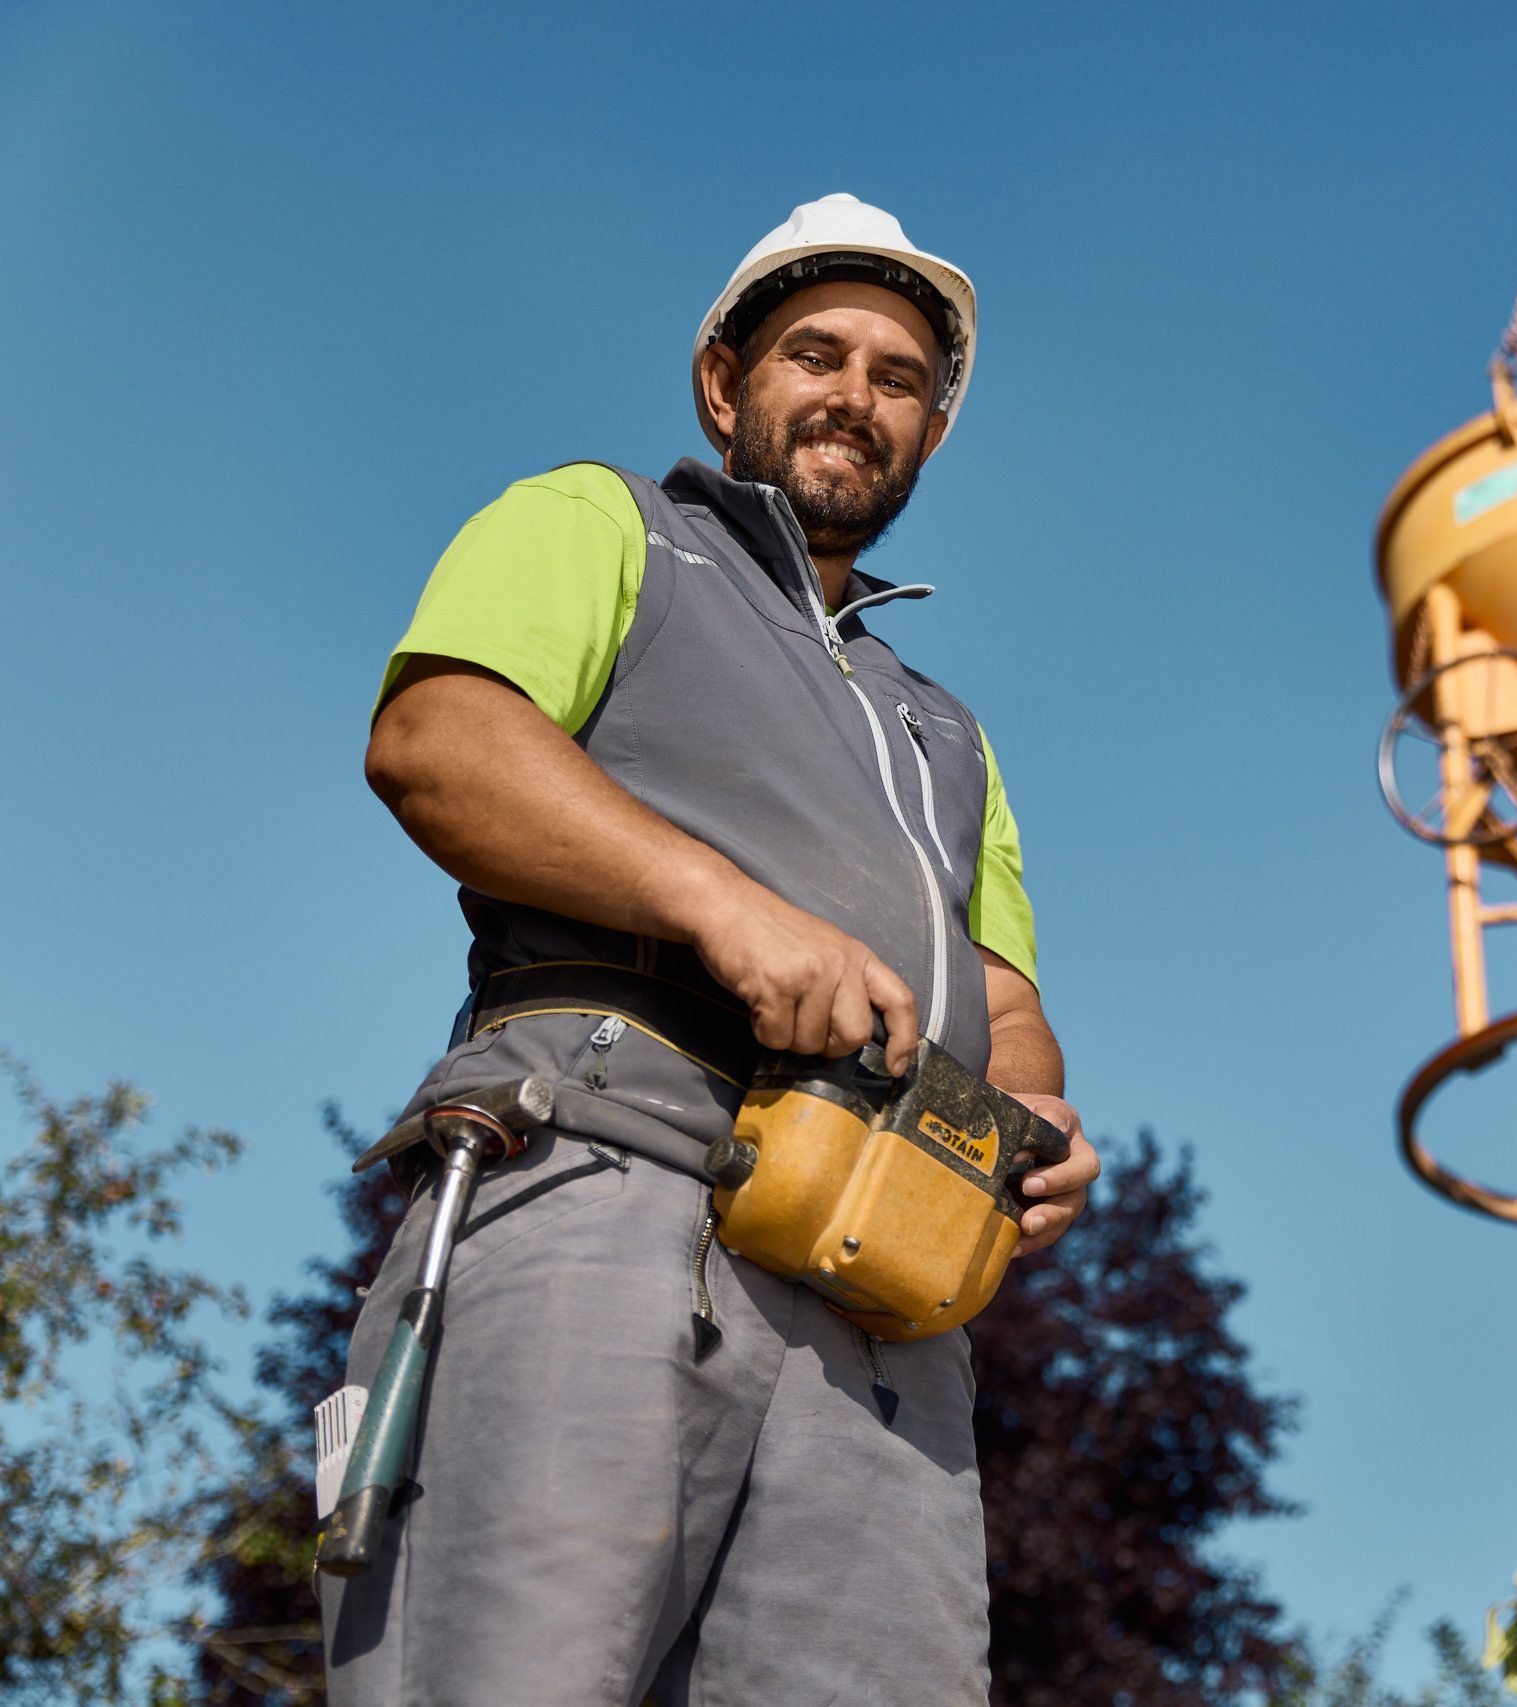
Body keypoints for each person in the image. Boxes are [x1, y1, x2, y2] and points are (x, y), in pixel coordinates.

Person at [324, 191, 1097, 1705]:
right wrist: (725, 909)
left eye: (900, 380)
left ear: (931, 433)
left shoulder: (947, 732)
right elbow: (438, 739)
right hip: (610, 1174)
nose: (856, 398)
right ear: (722, 381)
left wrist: (1042, 1116)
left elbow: (1002, 1003)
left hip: (882, 1293)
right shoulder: (606, 525)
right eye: (817, 353)